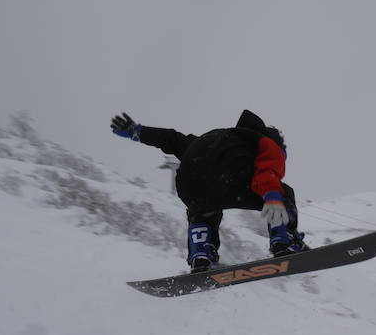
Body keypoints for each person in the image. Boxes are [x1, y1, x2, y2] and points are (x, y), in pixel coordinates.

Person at [110, 109, 306, 273]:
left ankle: (201, 254)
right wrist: (272, 196)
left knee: (203, 210)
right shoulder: (266, 142)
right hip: (234, 180)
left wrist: (136, 131)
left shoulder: (215, 139)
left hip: (190, 184)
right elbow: (266, 174)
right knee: (284, 192)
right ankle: (284, 241)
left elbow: (170, 138)